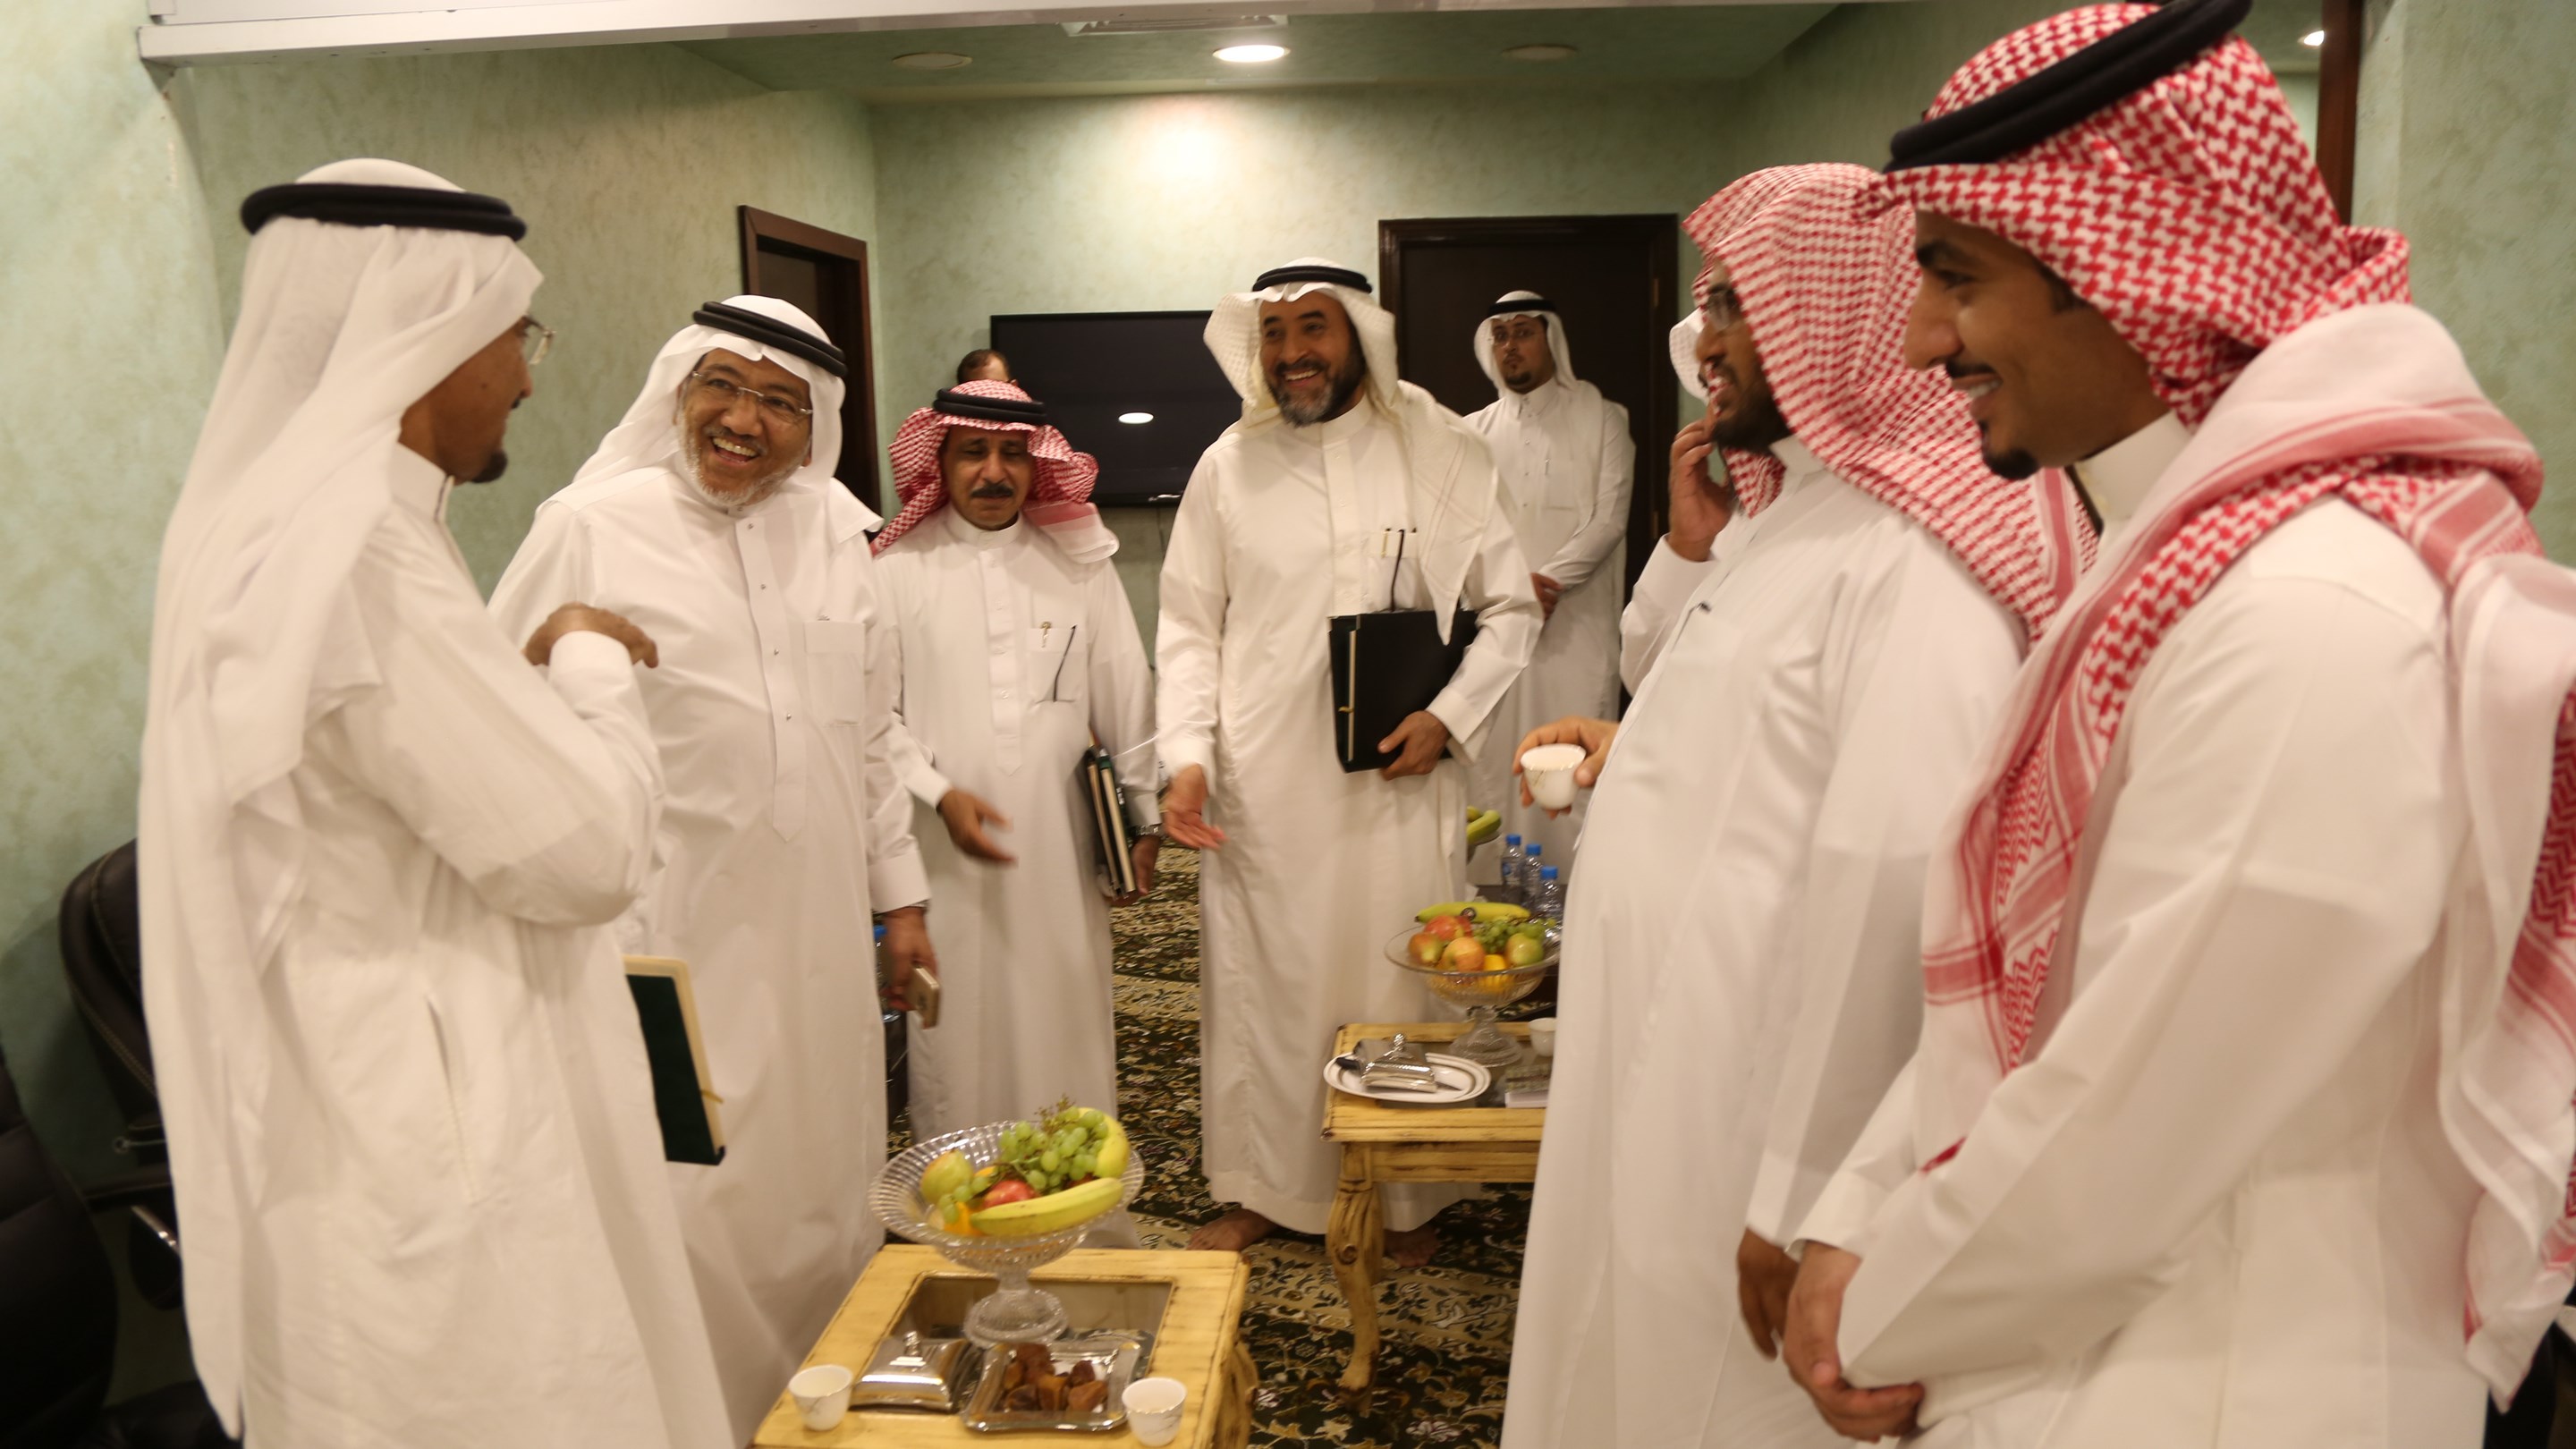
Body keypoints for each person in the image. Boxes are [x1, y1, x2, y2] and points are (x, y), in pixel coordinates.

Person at [1777, 4, 2576, 1445]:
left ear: (2123, 275)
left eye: (1957, 278)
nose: (1921, 337)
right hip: (2091, 1345)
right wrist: (1857, 1211)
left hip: (2226, 1372)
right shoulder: (2191, 555)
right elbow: (2052, 985)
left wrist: (1877, 1303)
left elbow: (2132, 1129)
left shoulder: (2313, 610)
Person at [137, 159, 729, 1448]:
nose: (526, 377)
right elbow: (584, 855)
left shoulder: (292, 526)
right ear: (426, 337)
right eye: (516, 336)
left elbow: (402, 768)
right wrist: (588, 658)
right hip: (429, 1122)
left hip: (374, 1096)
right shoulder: (354, 552)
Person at [1498, 165, 2089, 1449]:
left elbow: (1901, 873)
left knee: (1719, 1399)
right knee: (1631, 1362)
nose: (1702, 340)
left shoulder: (1915, 550)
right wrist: (1673, 595)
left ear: (1846, 308)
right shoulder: (1801, 513)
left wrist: (1817, 1188)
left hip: (1753, 1094)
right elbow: (1725, 727)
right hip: (1667, 1060)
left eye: (1735, 305)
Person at [489, 295, 932, 1441]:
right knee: (687, 1201)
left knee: (826, 1185)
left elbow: (871, 736)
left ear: (816, 423)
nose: (746, 419)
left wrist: (902, 900)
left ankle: (821, 1408)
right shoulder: (590, 525)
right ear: (678, 390)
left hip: (818, 943)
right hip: (663, 951)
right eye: (723, 386)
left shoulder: (839, 533)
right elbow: (501, 724)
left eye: (782, 401)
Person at [1157, 258, 1541, 1257]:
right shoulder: (1225, 467)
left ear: (1359, 334)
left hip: (1394, 786)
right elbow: (1189, 626)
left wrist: (1450, 716)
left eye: (1314, 328)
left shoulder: (1441, 450)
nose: (1293, 353)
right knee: (1265, 986)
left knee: (1395, 982)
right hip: (1265, 787)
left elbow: (1510, 609)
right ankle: (1263, 1186)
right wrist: (1186, 755)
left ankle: (1407, 1194)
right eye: (1274, 334)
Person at [869, 381, 1160, 1138]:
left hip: (1063, 846)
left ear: (1038, 466)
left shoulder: (1079, 563)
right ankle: (963, 1188)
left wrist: (1144, 821)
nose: (993, 472)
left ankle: (1079, 1188)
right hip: (942, 852)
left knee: (1065, 1007)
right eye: (973, 452)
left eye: (1012, 454)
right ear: (941, 461)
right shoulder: (895, 570)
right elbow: (872, 716)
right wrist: (938, 791)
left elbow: (1125, 694)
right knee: (958, 1030)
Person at [1461, 292, 1634, 873]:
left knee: (1569, 764)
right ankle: (1492, 891)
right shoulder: (1471, 432)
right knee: (1497, 765)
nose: (1510, 345)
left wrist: (1545, 582)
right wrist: (1513, 589)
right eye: (1500, 334)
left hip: (1574, 632)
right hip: (1497, 629)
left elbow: (1608, 520)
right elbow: (1461, 530)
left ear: (1550, 337)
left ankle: (1573, 898)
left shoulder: (1603, 416)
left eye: (1524, 331)